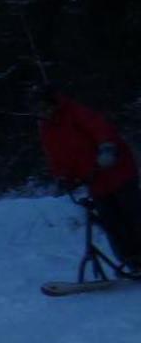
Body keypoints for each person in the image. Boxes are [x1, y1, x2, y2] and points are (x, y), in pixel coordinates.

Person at [36, 85, 141, 269]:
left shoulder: (75, 113)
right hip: (95, 180)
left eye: (44, 107)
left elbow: (101, 128)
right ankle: (132, 261)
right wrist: (63, 177)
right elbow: (57, 156)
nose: (42, 112)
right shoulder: (47, 129)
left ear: (52, 103)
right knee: (112, 223)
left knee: (133, 215)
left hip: (117, 171)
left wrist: (106, 148)